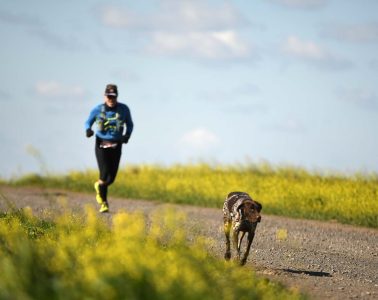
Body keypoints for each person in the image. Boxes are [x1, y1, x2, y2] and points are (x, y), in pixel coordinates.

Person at [85, 84, 134, 213]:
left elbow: (130, 124)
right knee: (104, 174)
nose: (111, 99)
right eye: (108, 96)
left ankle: (99, 186)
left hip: (116, 144)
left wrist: (127, 136)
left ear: (116, 96)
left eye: (113, 96)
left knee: (110, 179)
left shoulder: (123, 109)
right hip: (101, 144)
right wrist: (88, 130)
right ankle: (104, 203)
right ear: (104, 96)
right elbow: (88, 122)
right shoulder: (97, 109)